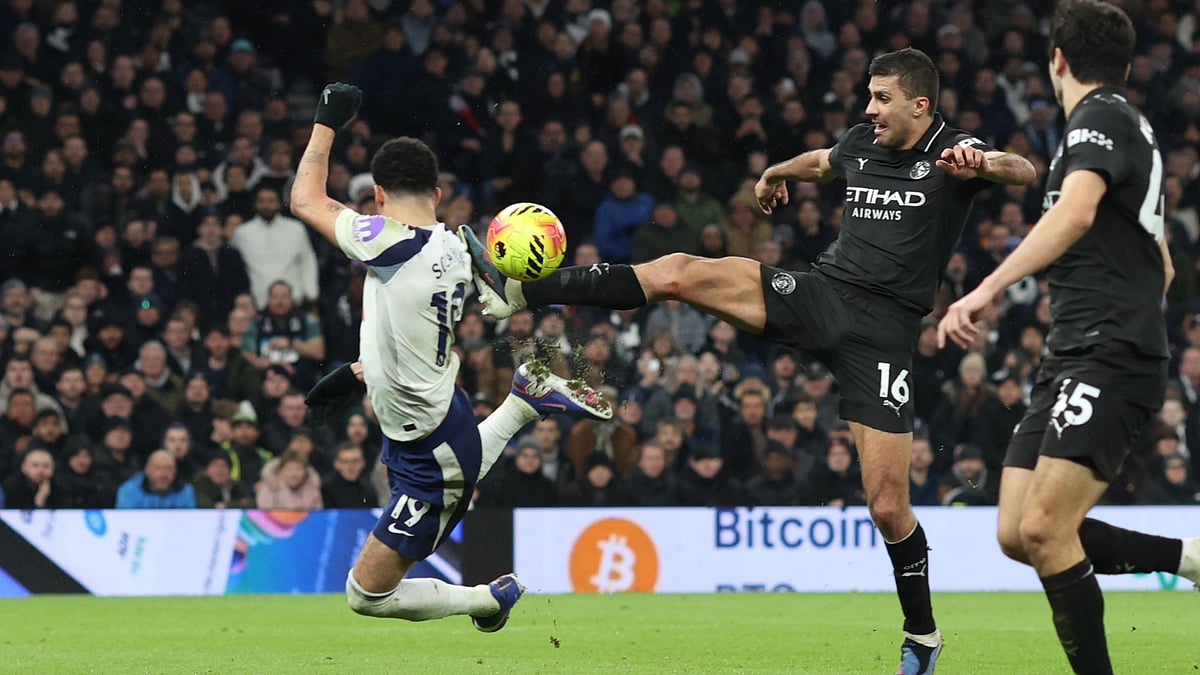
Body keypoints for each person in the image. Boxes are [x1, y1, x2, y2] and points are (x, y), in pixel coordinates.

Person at [466, 47, 1035, 672]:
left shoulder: (953, 151)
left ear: (920, 105)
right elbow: (823, 161)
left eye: (882, 98)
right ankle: (521, 290)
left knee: (886, 505)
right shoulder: (861, 142)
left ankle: (922, 636)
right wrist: (774, 172)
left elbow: (1023, 169)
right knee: (680, 272)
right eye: (869, 96)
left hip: (883, 334)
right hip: (821, 295)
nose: (870, 108)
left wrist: (982, 161)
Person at [289, 83, 610, 632]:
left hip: (429, 443)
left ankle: (487, 599)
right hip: (435, 413)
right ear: (437, 194)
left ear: (378, 196)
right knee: (454, 468)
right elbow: (406, 326)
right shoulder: (456, 248)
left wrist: (325, 123)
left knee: (367, 595)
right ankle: (524, 400)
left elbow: (304, 200)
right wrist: (357, 372)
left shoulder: (386, 242)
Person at [937, 3, 1200, 672]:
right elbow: (1163, 264)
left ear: (1057, 59)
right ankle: (1188, 558)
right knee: (1015, 530)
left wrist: (986, 289)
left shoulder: (1099, 119)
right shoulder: (1125, 125)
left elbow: (1076, 214)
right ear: (1127, 64)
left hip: (1105, 352)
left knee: (1046, 529)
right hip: (1077, 352)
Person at [115, 449, 197, 509]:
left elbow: (188, 521)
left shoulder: (186, 491)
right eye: (158, 468)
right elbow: (125, 521)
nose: (163, 473)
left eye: (168, 468)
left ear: (175, 471)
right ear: (147, 470)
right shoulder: (129, 491)